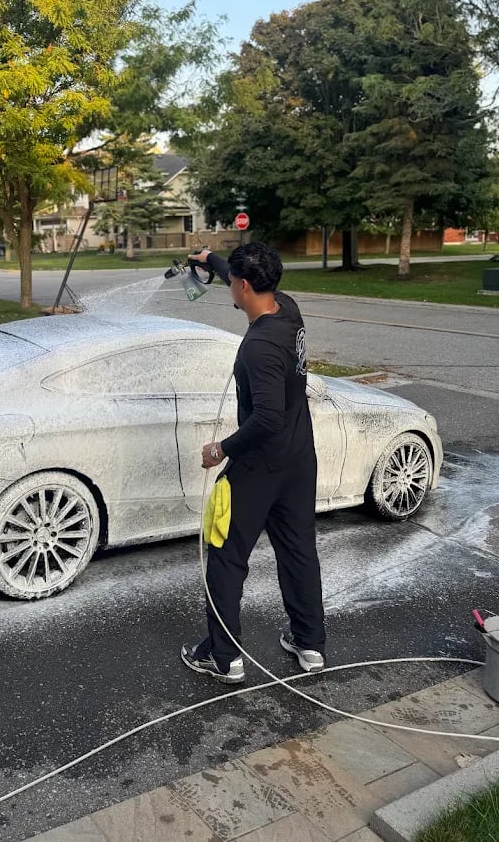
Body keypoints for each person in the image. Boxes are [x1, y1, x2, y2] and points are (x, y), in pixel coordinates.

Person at [180, 242, 325, 685]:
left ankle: (223, 657)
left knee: (225, 556)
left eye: (233, 281)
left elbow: (266, 418)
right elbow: (239, 273)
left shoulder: (258, 347)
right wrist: (210, 259)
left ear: (243, 287)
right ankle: (309, 643)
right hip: (298, 461)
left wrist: (220, 449)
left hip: (258, 467)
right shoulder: (288, 309)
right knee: (298, 551)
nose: (231, 286)